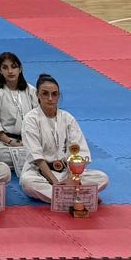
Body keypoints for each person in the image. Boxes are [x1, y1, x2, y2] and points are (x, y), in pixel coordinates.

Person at [19, 75, 110, 203]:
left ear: (58, 95)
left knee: (102, 178)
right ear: (37, 94)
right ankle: (78, 196)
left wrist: (71, 180)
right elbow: (37, 157)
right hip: (41, 172)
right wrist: (55, 183)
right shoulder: (30, 119)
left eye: (54, 94)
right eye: (45, 93)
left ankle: (62, 197)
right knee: (28, 183)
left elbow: (80, 152)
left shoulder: (68, 118)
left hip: (68, 172)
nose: (50, 98)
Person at [0, 51, 37, 170]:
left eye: (13, 67)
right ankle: (35, 161)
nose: (10, 71)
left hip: (29, 140)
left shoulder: (31, 90)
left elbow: (38, 117)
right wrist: (11, 142)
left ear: (20, 69)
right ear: (0, 70)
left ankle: (30, 160)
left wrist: (31, 141)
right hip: (4, 142)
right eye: (5, 68)